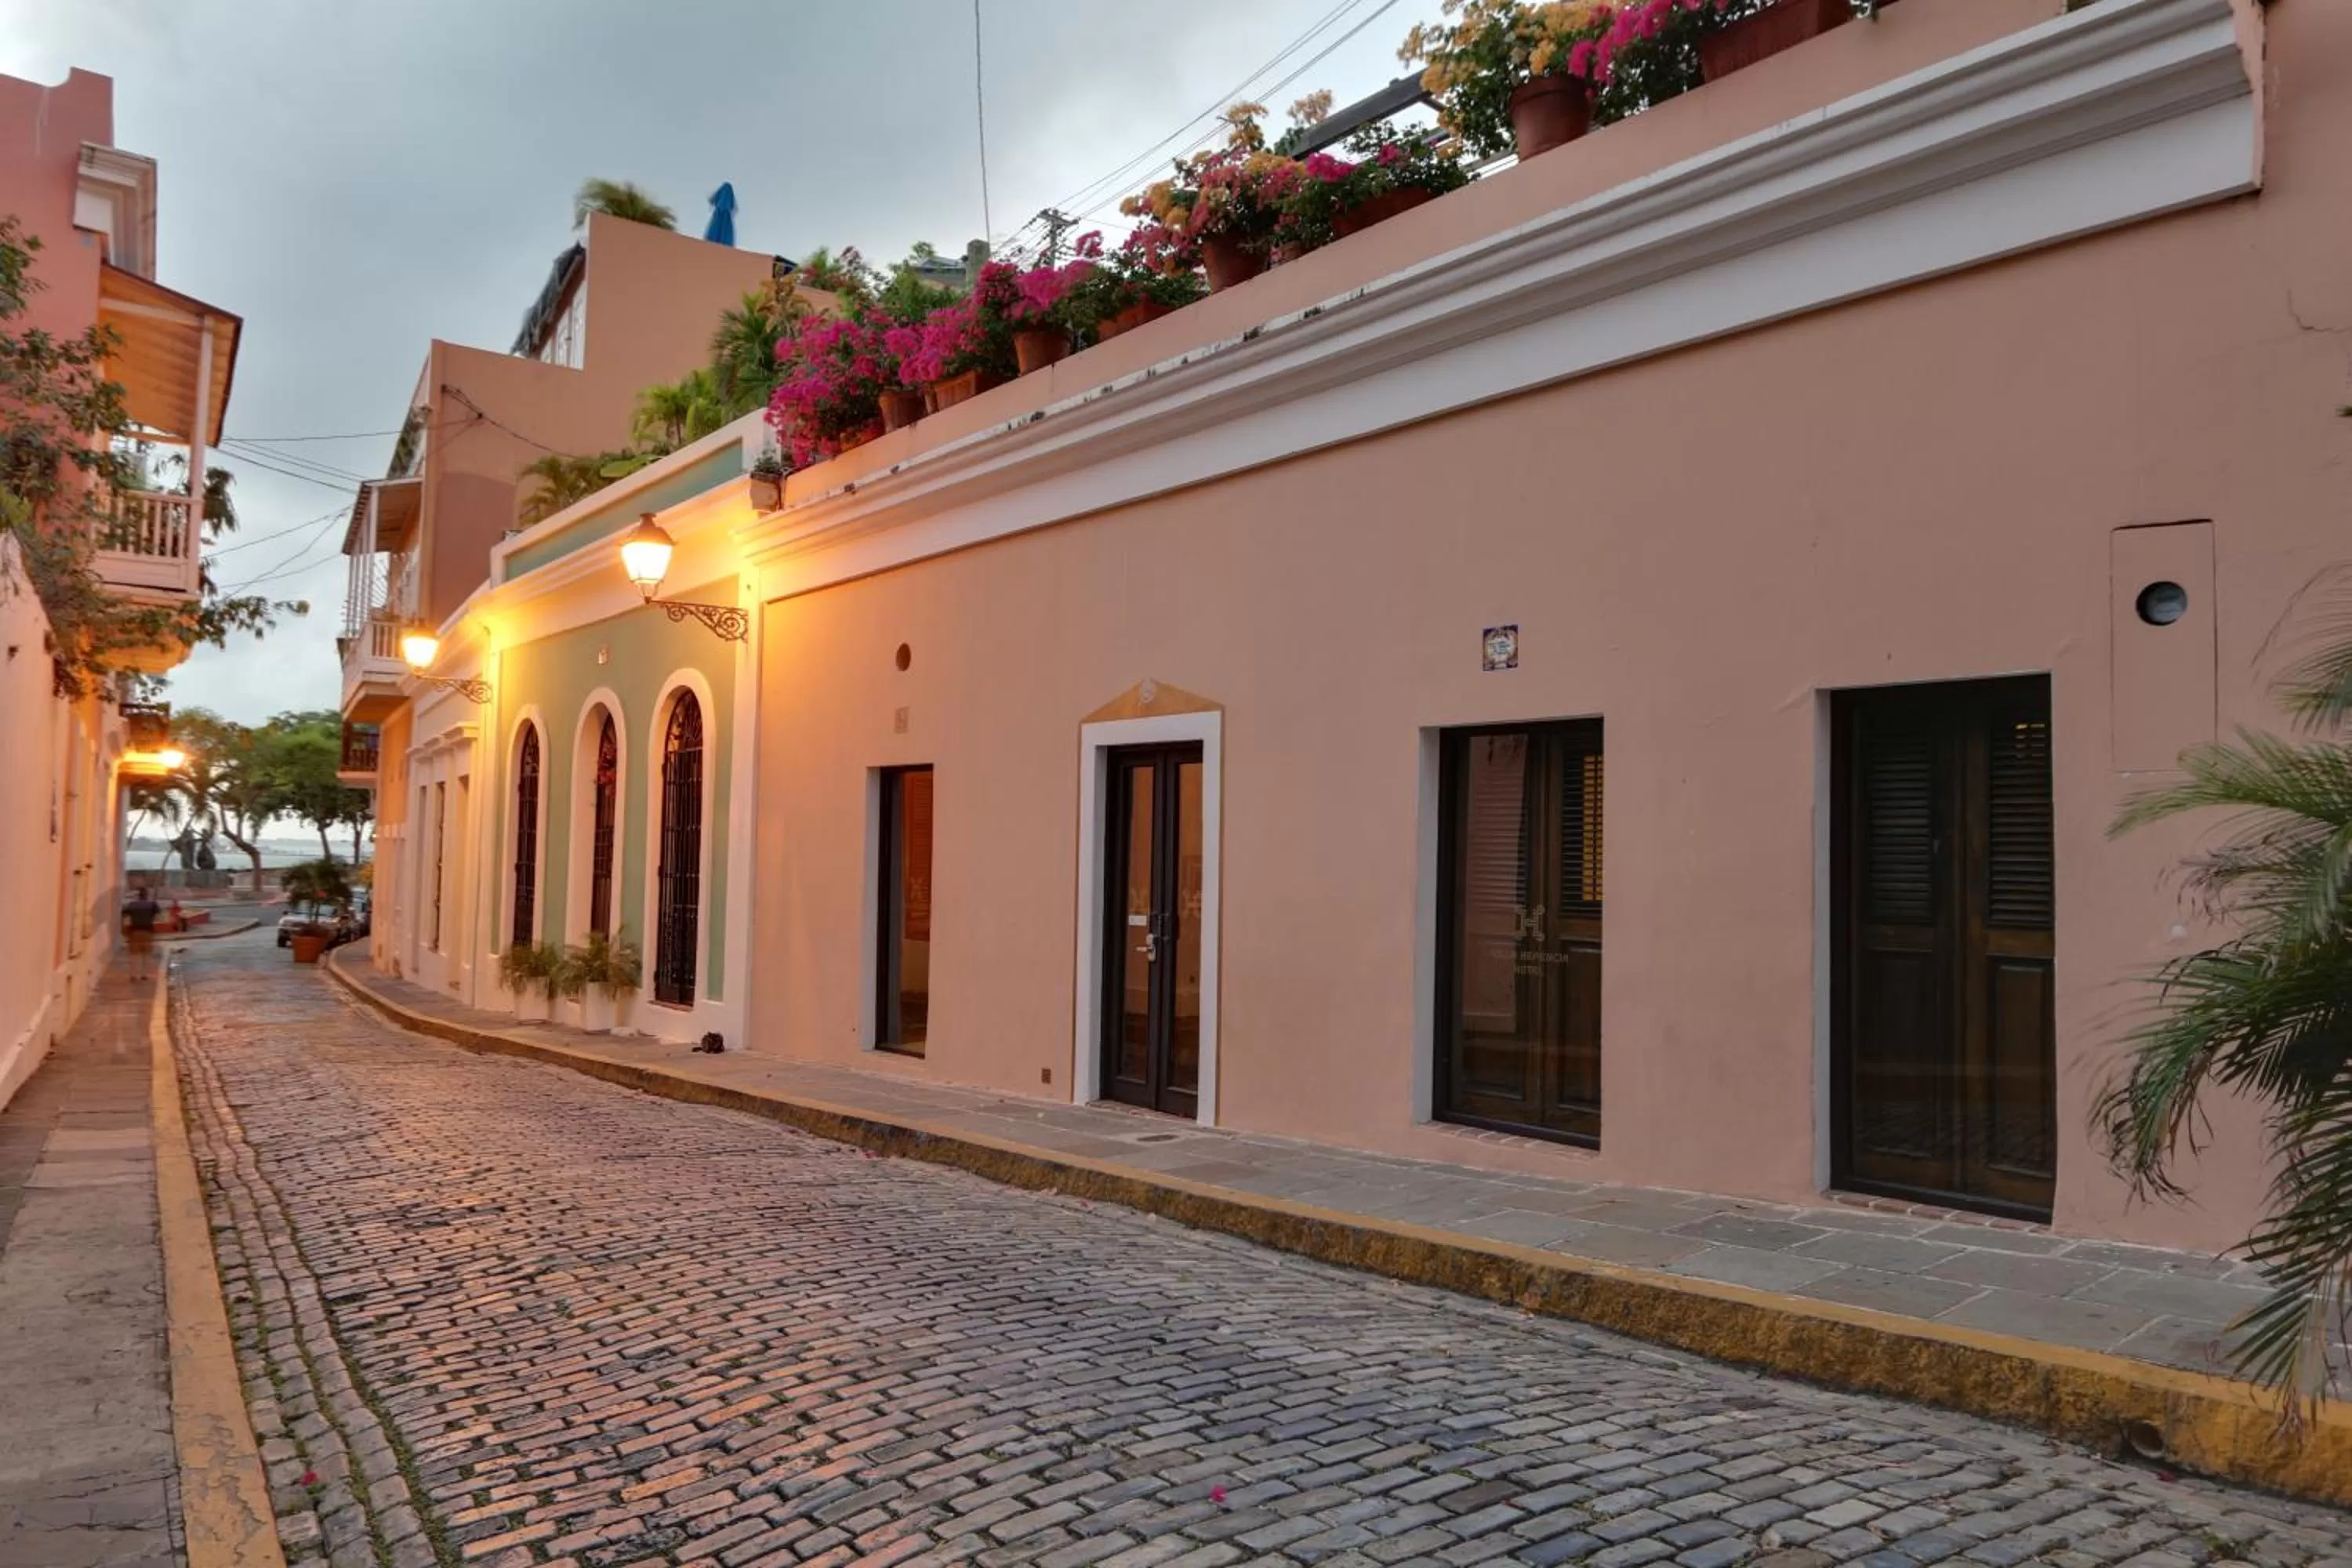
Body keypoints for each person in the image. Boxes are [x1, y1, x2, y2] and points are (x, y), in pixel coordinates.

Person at [122, 885, 161, 983]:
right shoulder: (152, 905)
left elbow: (123, 914)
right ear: (147, 895)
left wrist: (123, 929)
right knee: (146, 954)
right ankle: (144, 974)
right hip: (147, 931)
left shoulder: (132, 905)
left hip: (135, 931)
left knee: (134, 954)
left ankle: (133, 975)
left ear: (138, 895)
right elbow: (158, 913)